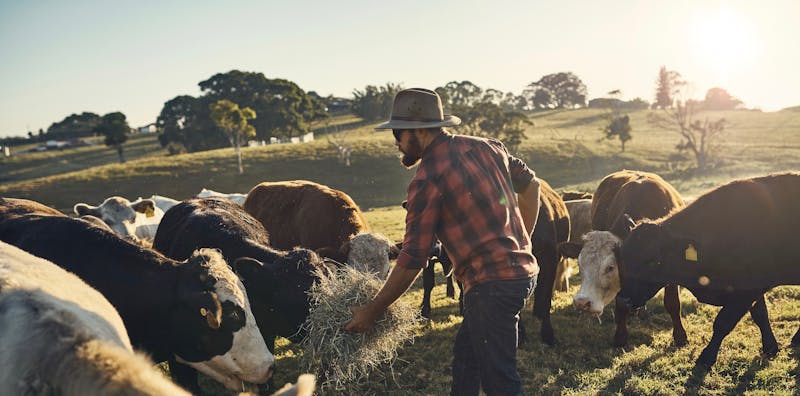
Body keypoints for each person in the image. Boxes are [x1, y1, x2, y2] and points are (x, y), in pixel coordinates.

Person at [344, 88, 541, 396]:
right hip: (520, 275)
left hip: (492, 287)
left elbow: (413, 258)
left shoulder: (427, 179)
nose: (395, 141)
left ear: (420, 130)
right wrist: (523, 241)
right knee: (467, 360)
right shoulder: (490, 147)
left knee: (500, 380)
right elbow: (531, 186)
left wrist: (372, 310)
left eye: (399, 132)